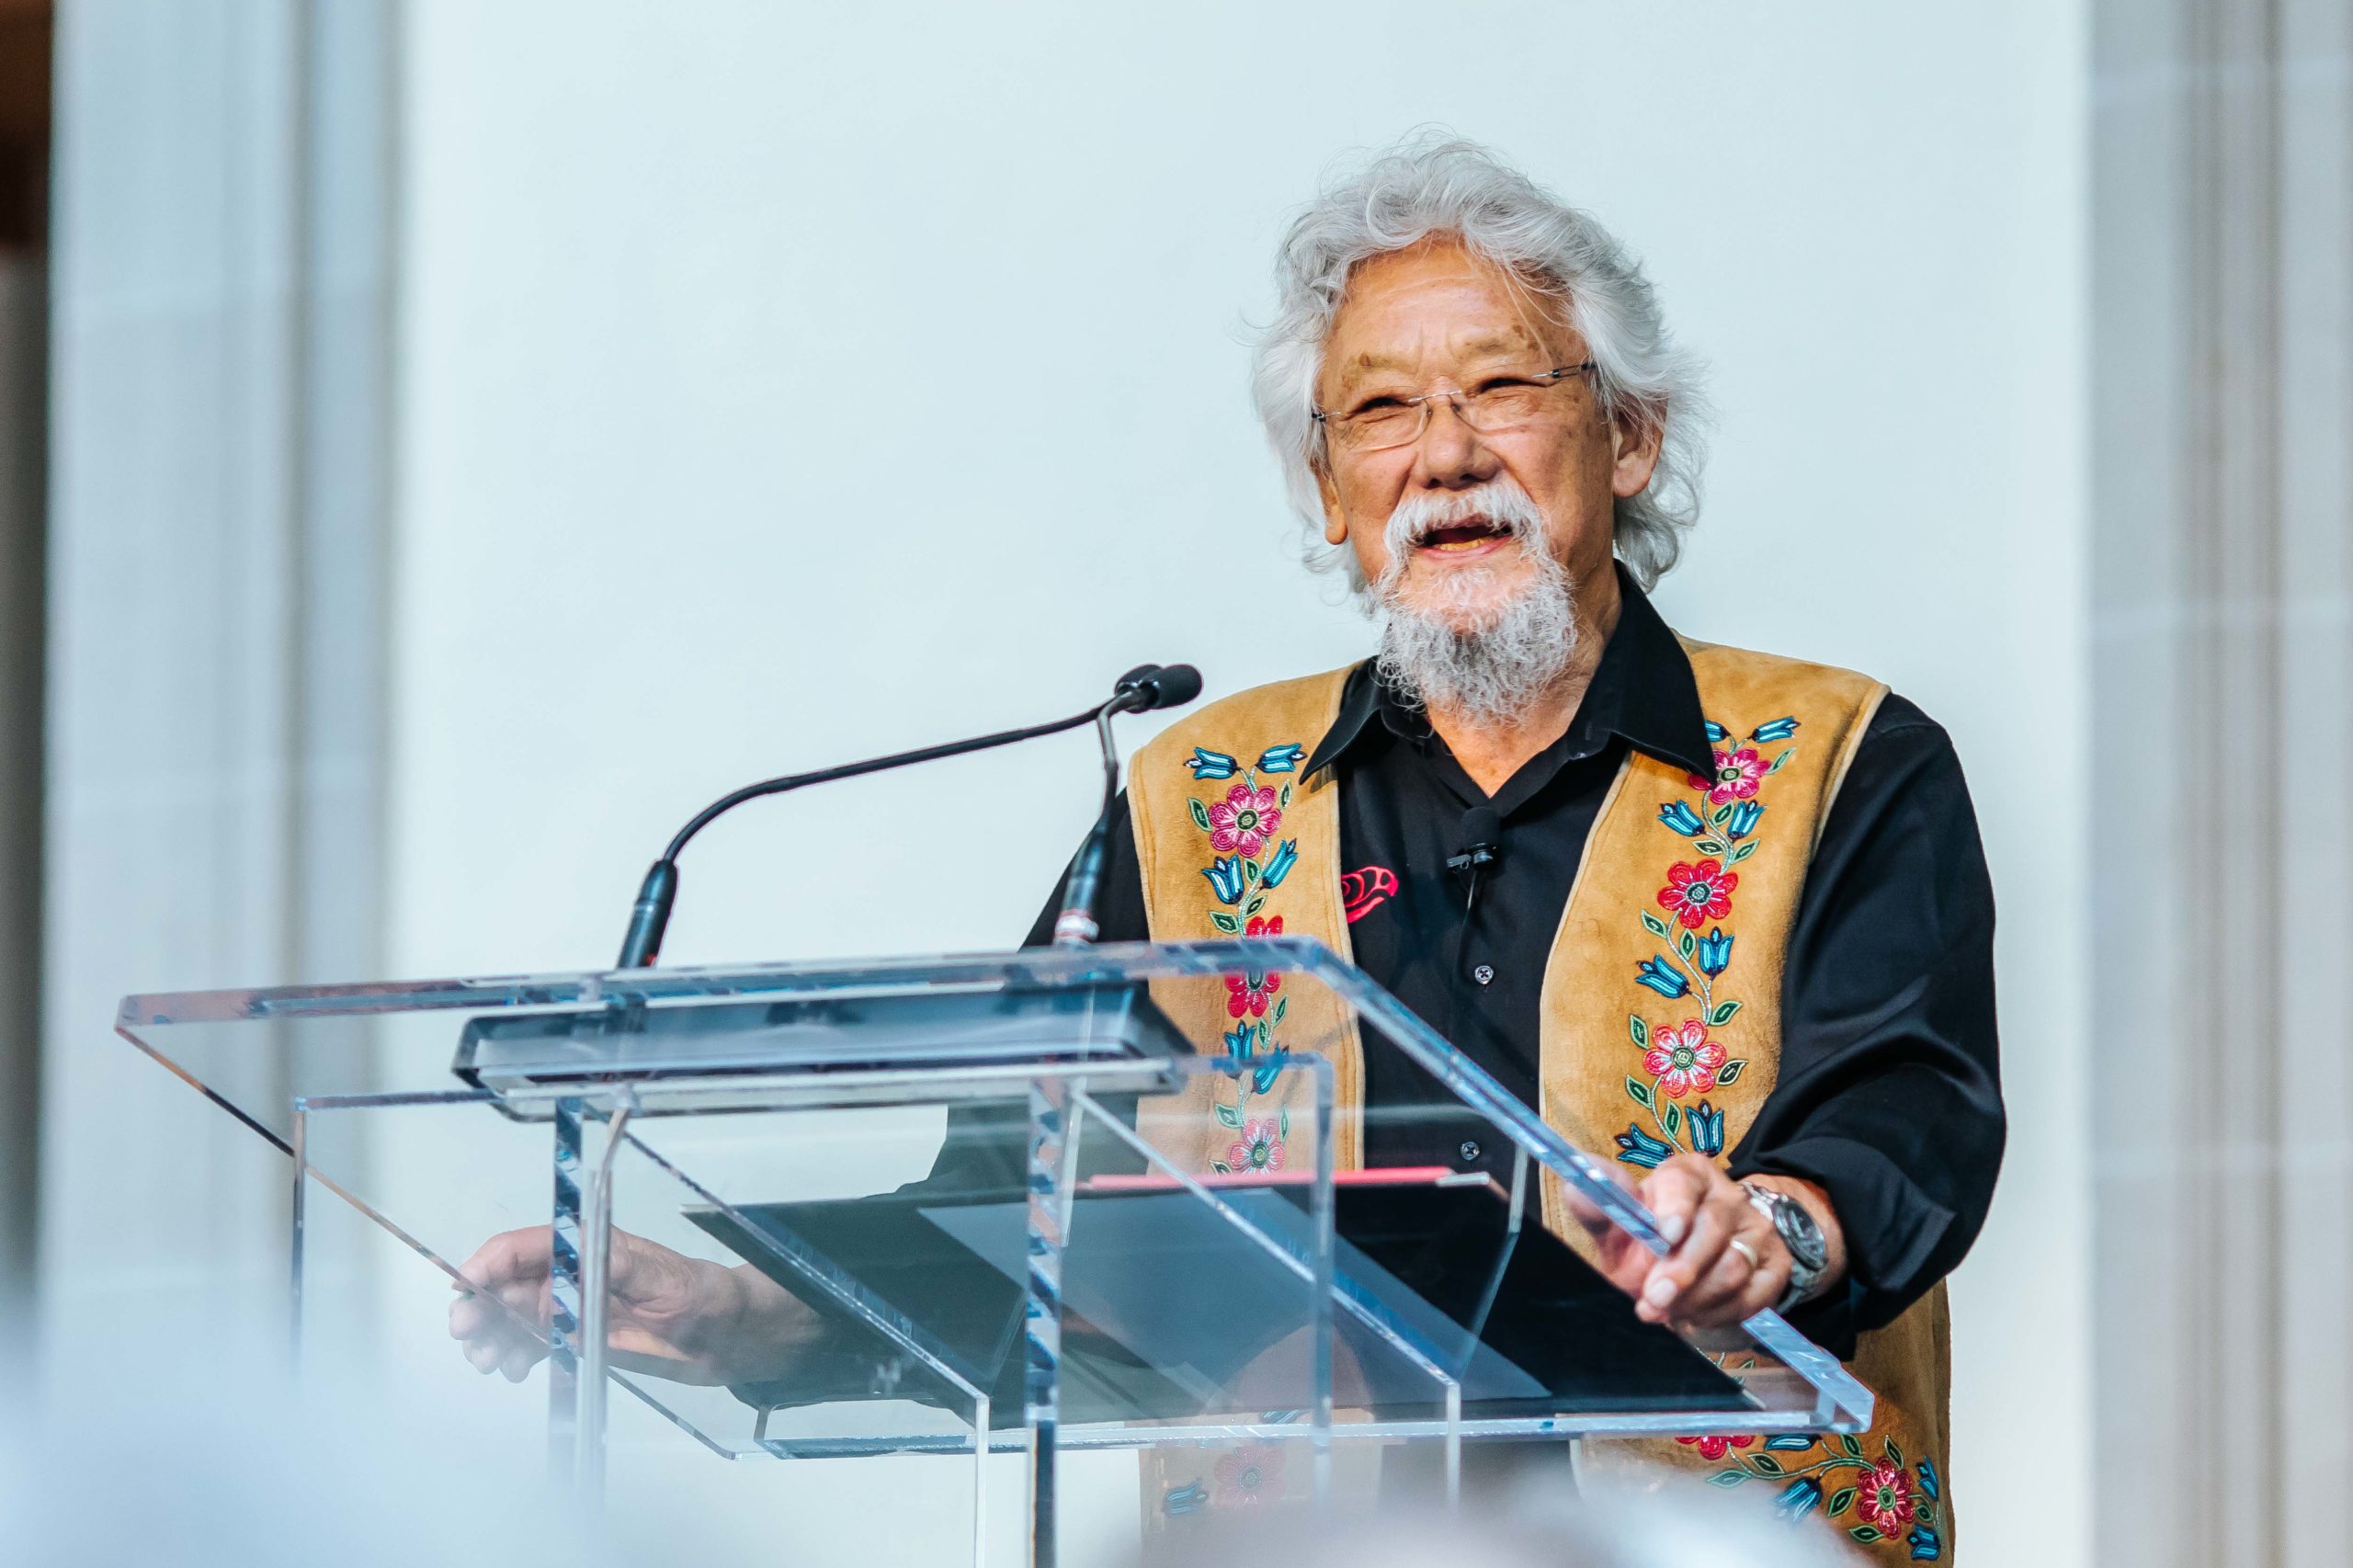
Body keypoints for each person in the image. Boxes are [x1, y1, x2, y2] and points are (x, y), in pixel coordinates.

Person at [451, 137, 2000, 1562]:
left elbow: (1908, 1112)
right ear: (1328, 490)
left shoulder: (1836, 759)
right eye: (1380, 411)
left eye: (1503, 388)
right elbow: (1025, 1202)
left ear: (1632, 435)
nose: (1443, 455)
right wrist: (743, 1314)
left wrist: (1777, 1226)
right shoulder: (1193, 798)